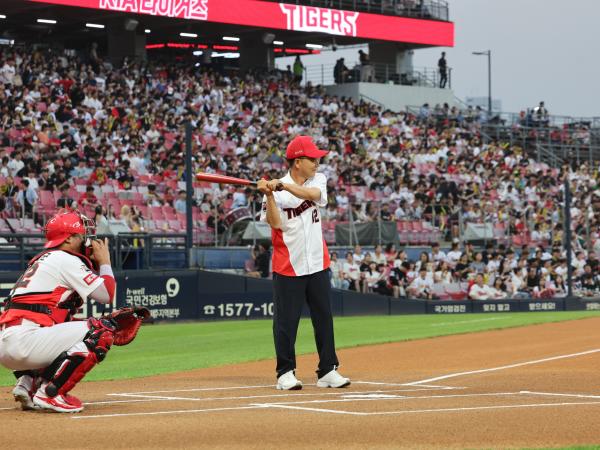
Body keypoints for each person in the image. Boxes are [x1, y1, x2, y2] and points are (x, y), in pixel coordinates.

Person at [0, 209, 116, 413]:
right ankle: (51, 393)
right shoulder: (64, 258)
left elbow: (56, 317)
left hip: (9, 345)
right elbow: (106, 294)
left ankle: (27, 384)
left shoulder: (42, 260)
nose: (87, 242)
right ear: (69, 238)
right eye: (82, 236)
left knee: (68, 326)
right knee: (101, 330)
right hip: (25, 343)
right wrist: (105, 262)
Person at [258, 135, 350, 391]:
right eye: (312, 158)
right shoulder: (275, 189)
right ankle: (285, 372)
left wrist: (283, 188)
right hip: (289, 264)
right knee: (286, 322)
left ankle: (328, 370)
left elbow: (313, 194)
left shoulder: (316, 180)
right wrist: (270, 195)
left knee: (324, 318)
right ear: (297, 162)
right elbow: (275, 223)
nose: (317, 162)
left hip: (318, 262)